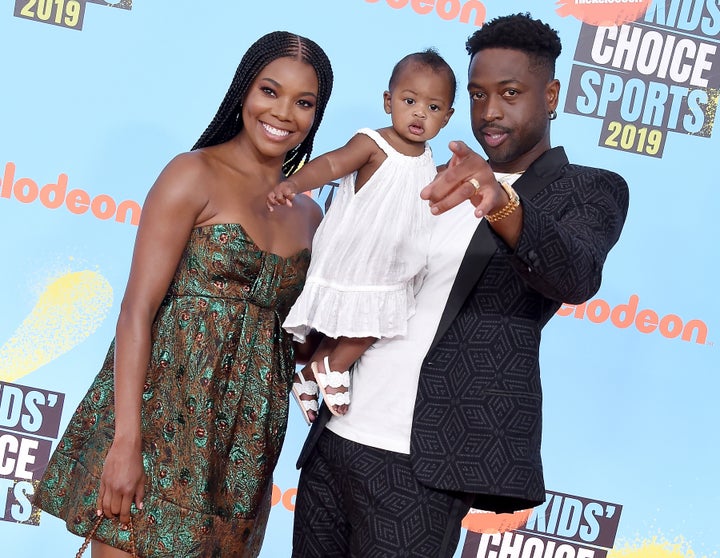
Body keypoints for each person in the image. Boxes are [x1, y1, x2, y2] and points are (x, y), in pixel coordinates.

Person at [292, 12, 629, 558]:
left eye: (510, 92)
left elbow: (576, 272)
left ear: (551, 95)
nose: (489, 111)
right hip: (336, 441)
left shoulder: (588, 190)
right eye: (476, 94)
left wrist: (502, 201)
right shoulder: (426, 171)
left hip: (423, 466)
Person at [32, 30, 333, 558]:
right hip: (159, 420)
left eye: (303, 102)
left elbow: (292, 338)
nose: (284, 113)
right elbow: (135, 313)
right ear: (244, 91)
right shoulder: (193, 173)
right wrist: (126, 443)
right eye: (270, 91)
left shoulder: (311, 215)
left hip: (244, 442)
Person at [266, 49, 456, 422]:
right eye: (409, 101)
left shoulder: (427, 158)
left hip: (393, 259)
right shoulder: (373, 143)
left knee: (361, 320)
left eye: (434, 108)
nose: (420, 113)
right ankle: (331, 368)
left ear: (447, 117)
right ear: (389, 102)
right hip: (359, 253)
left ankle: (308, 375)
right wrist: (295, 183)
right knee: (373, 322)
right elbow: (333, 163)